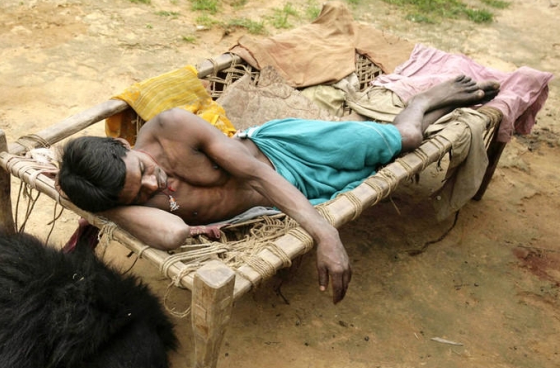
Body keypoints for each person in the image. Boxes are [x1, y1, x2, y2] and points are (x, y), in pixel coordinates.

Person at [56, 76, 499, 303]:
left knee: (406, 141)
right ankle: (422, 112)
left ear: (122, 144)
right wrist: (112, 208)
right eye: (138, 192)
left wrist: (326, 234)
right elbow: (171, 234)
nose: (155, 183)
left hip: (284, 152)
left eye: (144, 168)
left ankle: (421, 103)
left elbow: (255, 176)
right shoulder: (120, 198)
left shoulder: (171, 127)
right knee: (375, 165)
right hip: (292, 197)